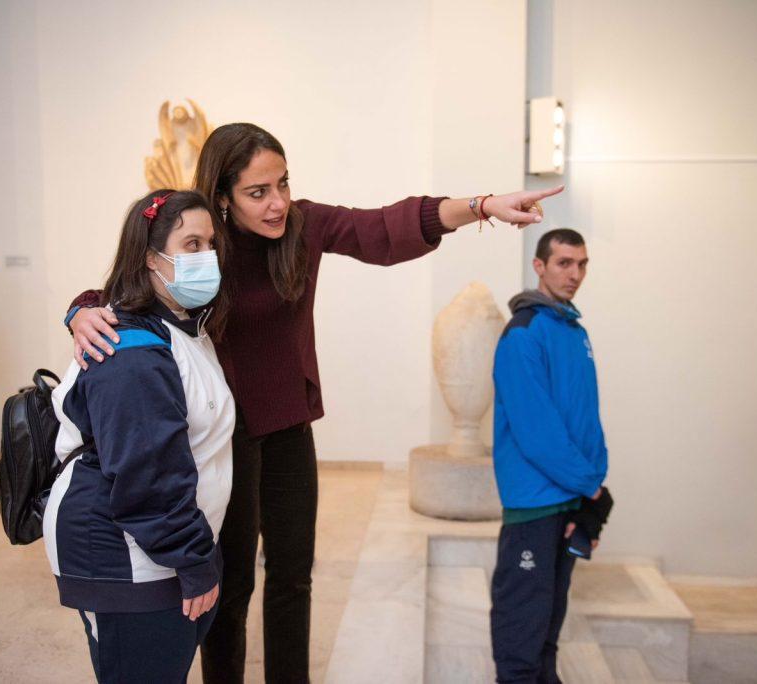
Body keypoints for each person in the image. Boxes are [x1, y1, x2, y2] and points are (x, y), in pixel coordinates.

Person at [67, 122, 563, 683]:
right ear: (223, 196)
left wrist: (482, 206)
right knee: (230, 584)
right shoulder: (205, 245)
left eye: (282, 183)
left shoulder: (303, 226)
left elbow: (383, 227)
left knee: (293, 576)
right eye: (258, 192)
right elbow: (129, 287)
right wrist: (79, 312)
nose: (277, 202)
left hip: (289, 426)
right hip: (224, 438)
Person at [43, 190, 234, 683]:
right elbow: (147, 472)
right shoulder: (129, 349)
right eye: (191, 245)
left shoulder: (180, 326)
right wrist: (193, 560)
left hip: (166, 546)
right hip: (125, 556)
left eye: (211, 243)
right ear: (150, 258)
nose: (207, 256)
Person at [489, 228, 614, 683]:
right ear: (539, 266)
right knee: (521, 624)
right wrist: (591, 485)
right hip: (535, 502)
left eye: (582, 264)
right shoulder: (523, 334)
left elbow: (584, 418)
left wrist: (592, 488)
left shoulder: (574, 331)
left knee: (548, 625)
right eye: (564, 263)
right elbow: (537, 432)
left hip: (570, 497)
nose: (574, 274)